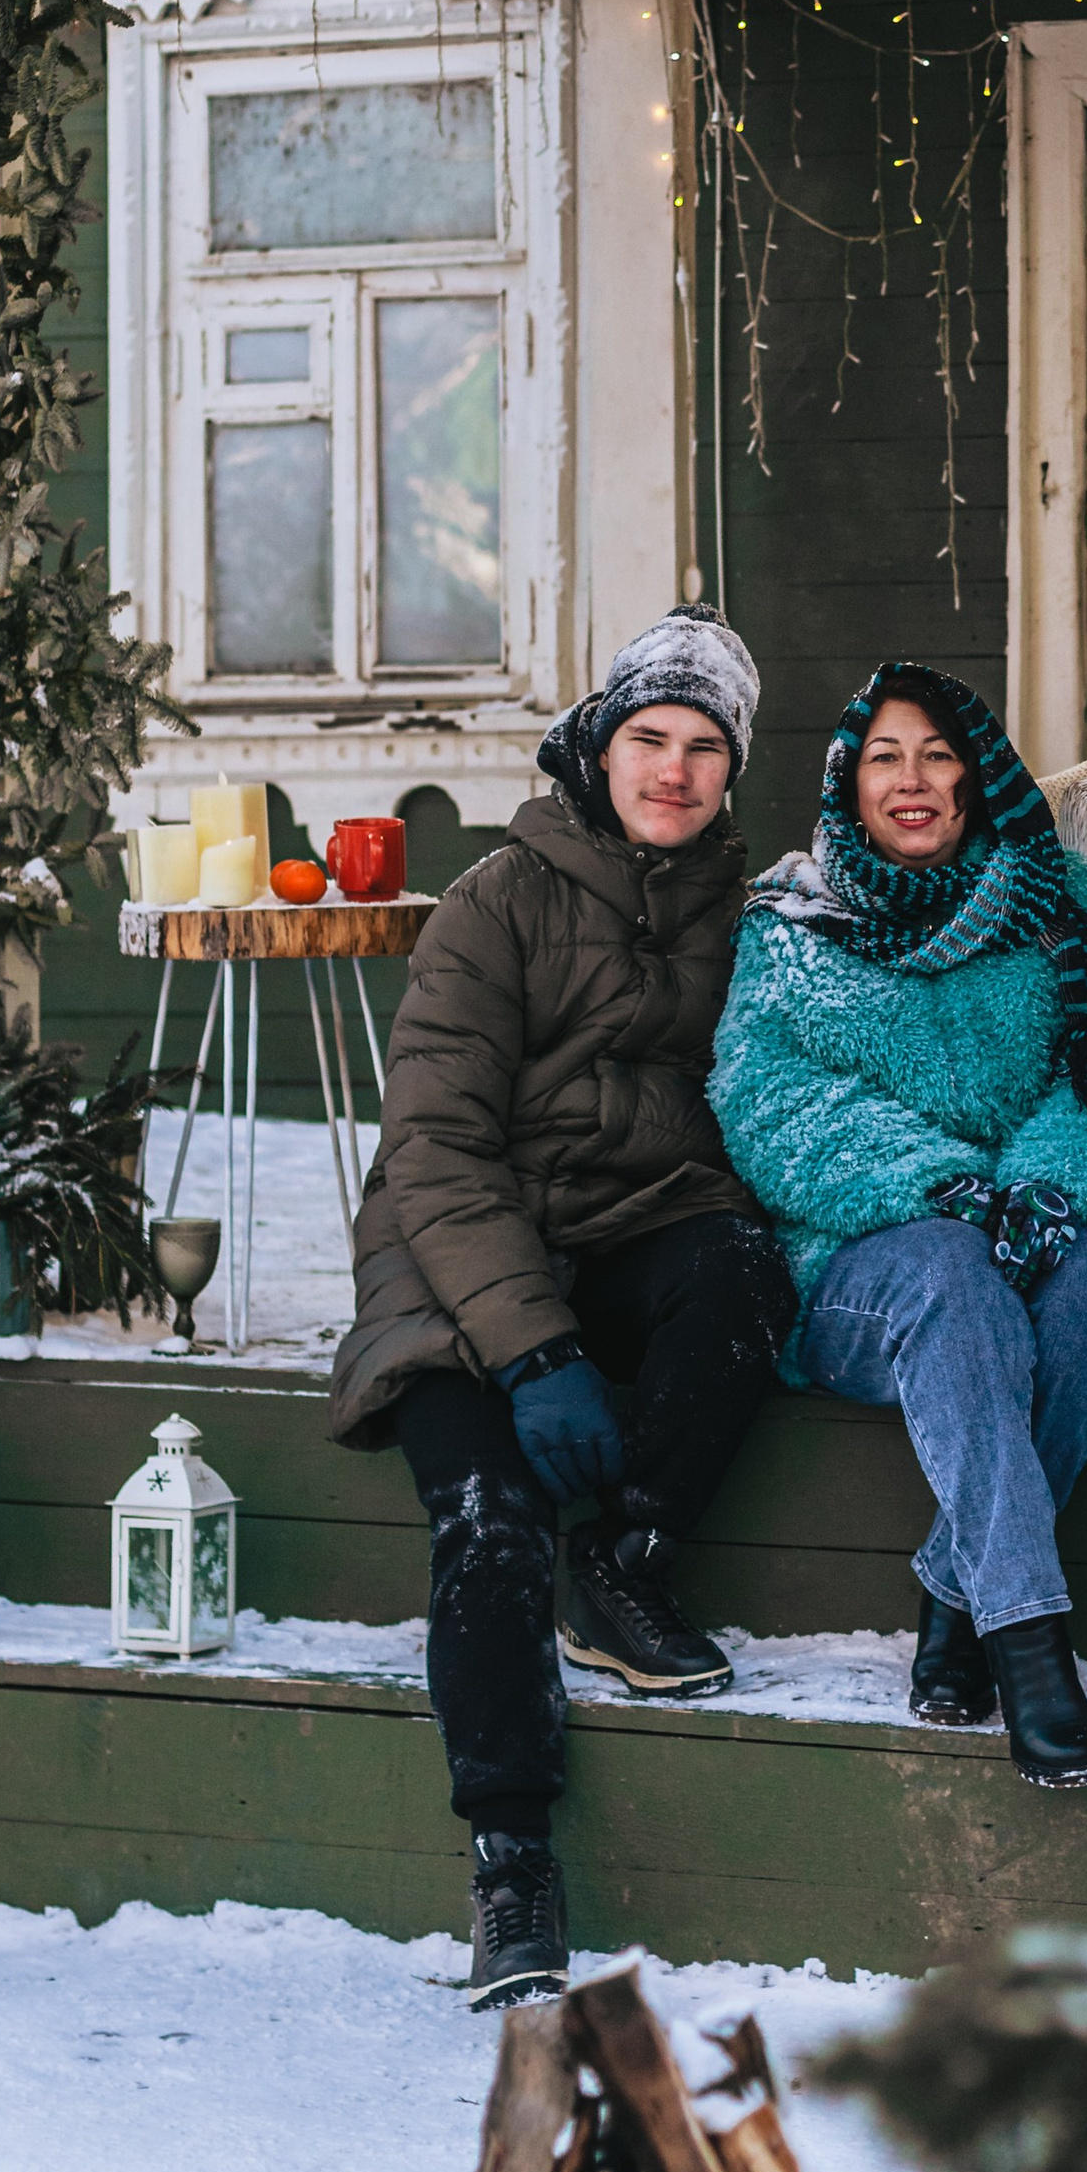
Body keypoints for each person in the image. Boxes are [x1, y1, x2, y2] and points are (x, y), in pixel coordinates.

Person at [327, 605, 796, 2009]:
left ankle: (633, 1563)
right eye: (650, 736)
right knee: (488, 1512)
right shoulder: (496, 903)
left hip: (640, 1227)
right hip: (461, 1249)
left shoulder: (752, 915)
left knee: (746, 1276)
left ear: (732, 768)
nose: (675, 769)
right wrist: (535, 1352)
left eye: (705, 747)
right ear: (600, 745)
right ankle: (512, 1857)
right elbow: (435, 1152)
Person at [708, 660, 1087, 1791]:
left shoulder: (1066, 900)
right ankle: (1031, 1647)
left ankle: (956, 1587)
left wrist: (1045, 1187)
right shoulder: (789, 924)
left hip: (1057, 1217)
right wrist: (943, 1187)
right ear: (848, 781)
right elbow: (766, 1099)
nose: (912, 780)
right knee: (949, 1278)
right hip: (869, 1259)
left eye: (937, 755)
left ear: (974, 778)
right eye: (885, 757)